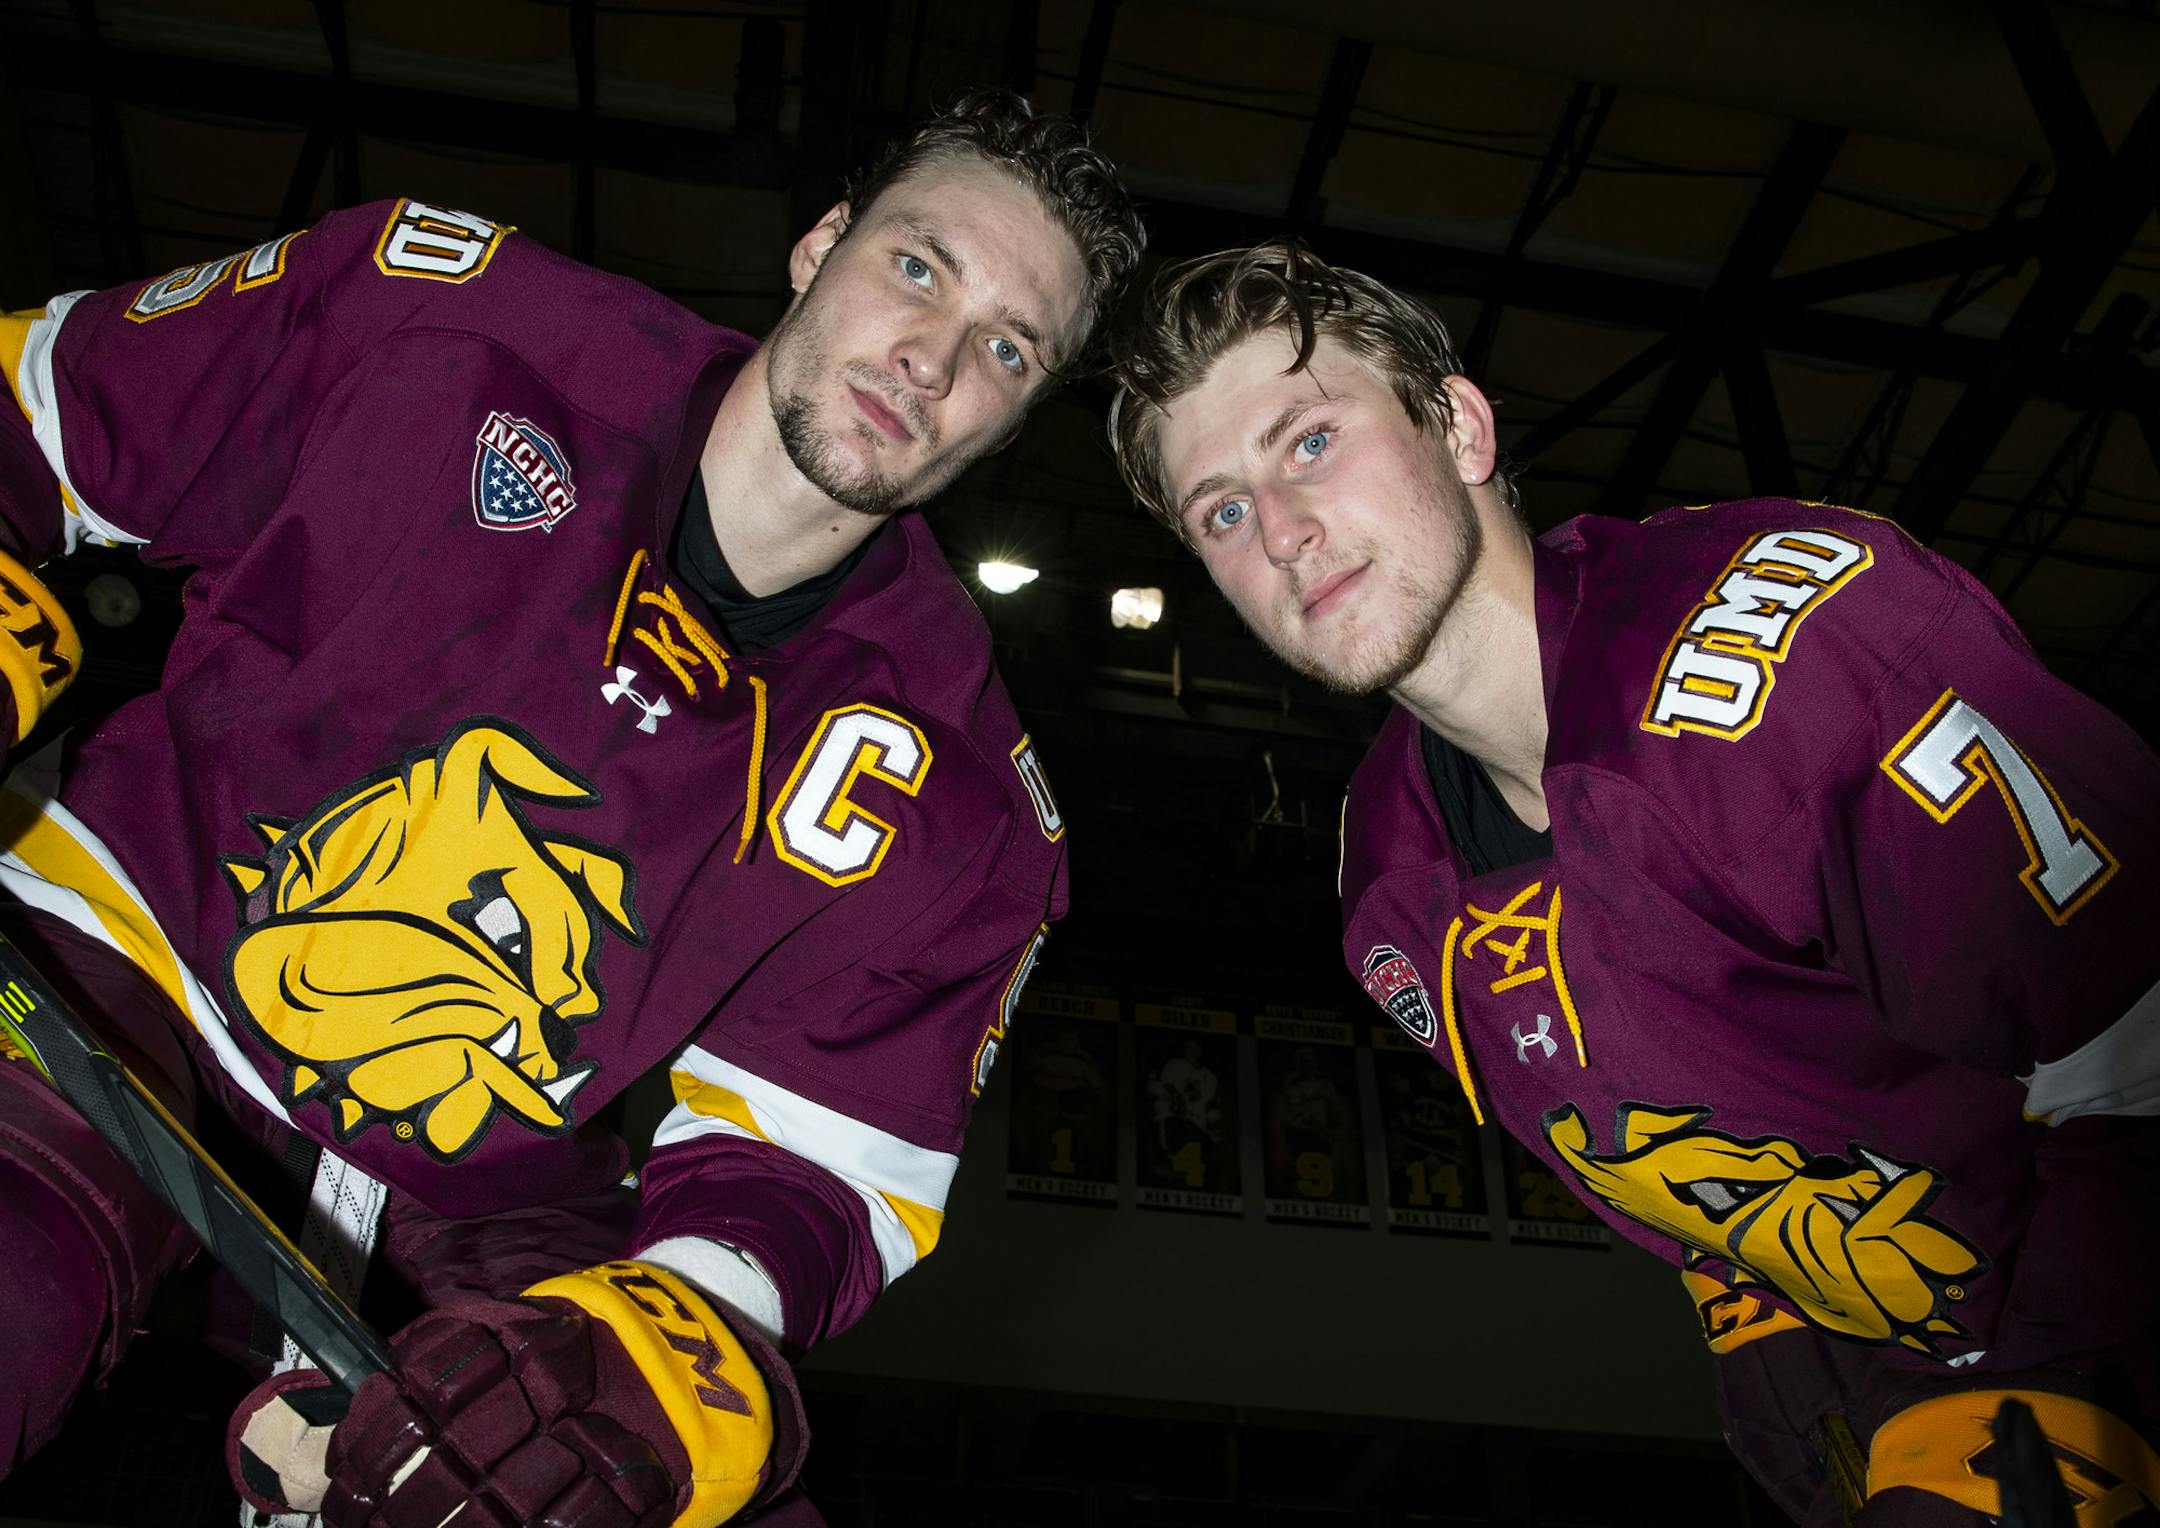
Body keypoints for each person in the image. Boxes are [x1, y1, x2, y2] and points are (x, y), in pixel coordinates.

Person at [0, 89, 1140, 1527]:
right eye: (919, 266)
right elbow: (41, 414)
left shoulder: (969, 803)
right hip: (122, 969)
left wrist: (665, 1339)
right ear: (821, 246)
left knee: (627, 1469)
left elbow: (822, 1161)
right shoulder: (450, 323)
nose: (932, 357)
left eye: (1005, 348)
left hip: (489, 1183)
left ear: (1018, 416)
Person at [1106, 242, 2160, 1525]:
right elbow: (1731, 1218)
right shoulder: (1390, 890)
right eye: (1219, 509)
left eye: (1309, 443)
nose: (1280, 530)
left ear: (1460, 426)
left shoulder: (1798, 647)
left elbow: (2135, 1021)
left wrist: (2049, 1410)